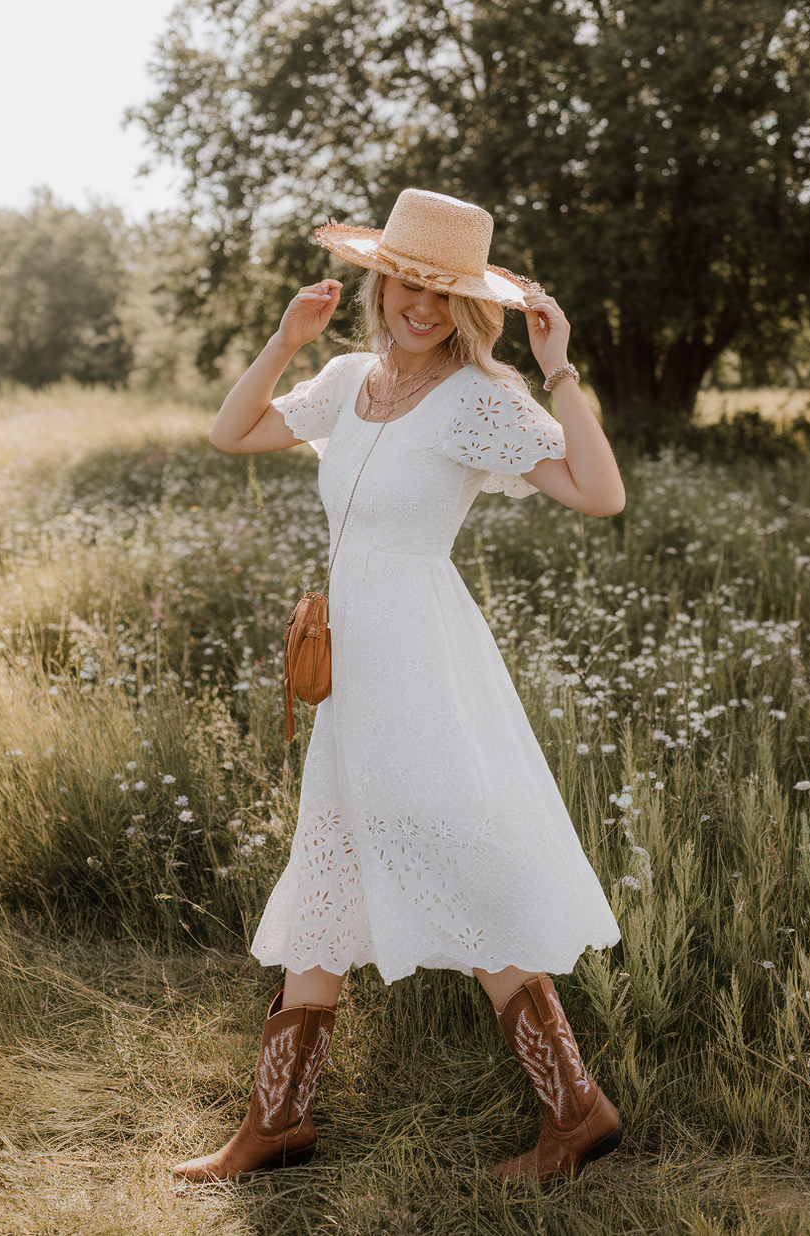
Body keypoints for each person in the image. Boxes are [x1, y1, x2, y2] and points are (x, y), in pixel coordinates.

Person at [173, 188, 626, 1185]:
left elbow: (600, 495)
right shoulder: (346, 378)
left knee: (447, 860)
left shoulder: (478, 400)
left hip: (420, 662)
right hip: (353, 667)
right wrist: (287, 339)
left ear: (469, 307)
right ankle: (276, 1124)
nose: (419, 304)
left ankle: (576, 1109)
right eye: (407, 281)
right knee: (329, 871)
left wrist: (558, 371)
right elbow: (230, 432)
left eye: (441, 291)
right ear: (382, 282)